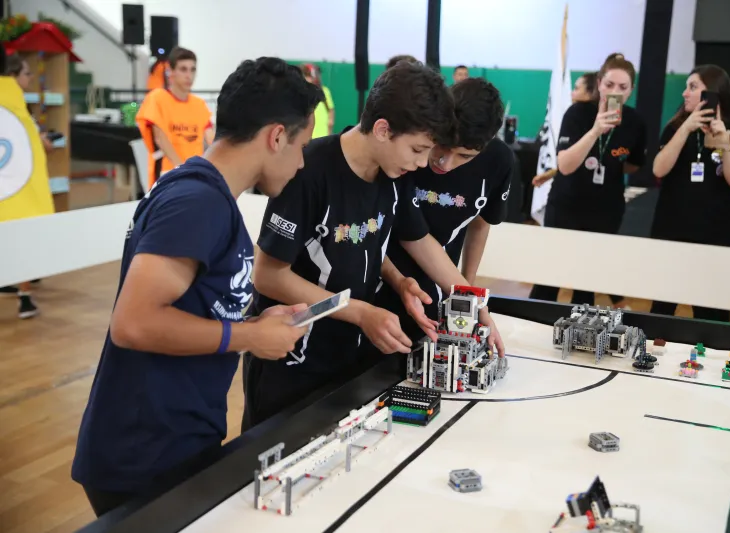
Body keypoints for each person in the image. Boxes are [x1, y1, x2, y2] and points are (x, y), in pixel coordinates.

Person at [71, 57, 323, 517]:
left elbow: (192, 307)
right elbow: (134, 323)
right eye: (302, 145)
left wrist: (252, 323)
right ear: (276, 136)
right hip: (144, 450)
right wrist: (248, 337)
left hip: (176, 436)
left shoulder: (207, 197)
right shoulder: (197, 200)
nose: (302, 161)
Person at [242, 62, 504, 431]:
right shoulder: (309, 170)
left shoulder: (394, 176)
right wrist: (361, 312)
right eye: (417, 149)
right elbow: (267, 274)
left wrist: (471, 304)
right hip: (291, 361)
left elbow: (419, 243)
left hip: (349, 360)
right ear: (383, 129)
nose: (421, 163)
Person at [372, 77, 511, 345]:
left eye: (465, 156)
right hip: (381, 278)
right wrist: (470, 297)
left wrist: (465, 292)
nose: (445, 164)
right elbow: (414, 238)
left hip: (439, 284)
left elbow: (480, 224)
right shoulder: (406, 153)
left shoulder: (499, 161)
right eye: (442, 147)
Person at [528, 53, 647, 306]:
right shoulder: (578, 114)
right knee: (548, 278)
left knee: (588, 283)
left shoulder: (635, 122)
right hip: (567, 206)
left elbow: (633, 165)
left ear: (631, 90)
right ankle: (531, 326)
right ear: (599, 83)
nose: (615, 91)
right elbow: (565, 165)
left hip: (606, 210)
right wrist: (595, 131)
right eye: (609, 85)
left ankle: (581, 336)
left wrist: (608, 162)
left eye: (623, 87)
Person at [649, 65, 730, 322]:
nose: (685, 93)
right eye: (686, 86)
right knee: (662, 308)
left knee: (712, 312)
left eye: (693, 87)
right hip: (671, 230)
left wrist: (724, 143)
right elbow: (659, 169)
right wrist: (686, 129)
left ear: (713, 94)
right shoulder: (675, 128)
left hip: (715, 233)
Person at [0, 46, 55, 318]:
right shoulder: (16, 109)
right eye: (26, 73)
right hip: (15, 190)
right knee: (21, 236)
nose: (30, 78)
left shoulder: (20, 109)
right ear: (11, 76)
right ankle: (24, 294)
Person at [135, 46, 214, 190]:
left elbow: (212, 139)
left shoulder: (199, 104)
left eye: (192, 69)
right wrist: (183, 170)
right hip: (167, 175)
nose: (188, 75)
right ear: (170, 71)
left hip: (194, 175)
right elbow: (160, 139)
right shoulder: (157, 98)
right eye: (183, 69)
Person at [533, 71, 598, 188]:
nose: (572, 93)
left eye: (576, 89)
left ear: (590, 92)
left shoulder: (575, 113)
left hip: (572, 192)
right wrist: (552, 173)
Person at [302, 63, 335, 138]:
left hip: (321, 136)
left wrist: (329, 131)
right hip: (306, 138)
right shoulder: (300, 92)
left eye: (308, 74)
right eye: (305, 74)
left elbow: (331, 111)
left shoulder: (325, 91)